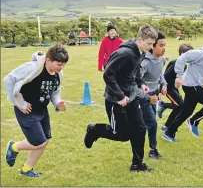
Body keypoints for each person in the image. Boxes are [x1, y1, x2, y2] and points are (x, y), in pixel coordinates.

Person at [84, 24, 158, 172]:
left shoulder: (139, 53)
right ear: (139, 39)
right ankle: (95, 130)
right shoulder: (125, 53)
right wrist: (119, 96)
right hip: (115, 100)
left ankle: (137, 165)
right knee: (123, 135)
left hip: (131, 97)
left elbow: (134, 72)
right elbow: (108, 74)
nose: (151, 47)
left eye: (152, 44)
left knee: (140, 129)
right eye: (149, 44)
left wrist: (141, 83)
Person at [4, 44, 69, 177]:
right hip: (26, 111)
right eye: (59, 64)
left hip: (42, 110)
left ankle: (27, 169)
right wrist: (19, 103)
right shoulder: (32, 68)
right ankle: (14, 147)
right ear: (48, 60)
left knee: (45, 140)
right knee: (39, 141)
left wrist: (58, 103)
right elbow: (8, 79)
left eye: (63, 64)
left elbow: (55, 92)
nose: (61, 67)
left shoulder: (58, 74)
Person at [139, 31, 167, 160]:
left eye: (164, 45)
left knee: (148, 123)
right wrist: (146, 94)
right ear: (152, 47)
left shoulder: (161, 60)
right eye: (161, 45)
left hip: (154, 95)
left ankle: (143, 146)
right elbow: (137, 79)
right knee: (152, 123)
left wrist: (163, 85)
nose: (164, 48)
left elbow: (160, 75)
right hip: (144, 96)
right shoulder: (145, 62)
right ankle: (153, 150)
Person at [157, 44, 194, 131]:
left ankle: (167, 125)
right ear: (182, 54)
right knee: (180, 105)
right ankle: (163, 105)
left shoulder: (181, 63)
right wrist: (162, 88)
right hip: (169, 88)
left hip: (173, 88)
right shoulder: (177, 64)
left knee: (180, 106)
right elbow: (165, 76)